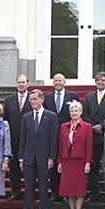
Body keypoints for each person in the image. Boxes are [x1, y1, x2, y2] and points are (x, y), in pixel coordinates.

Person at [19, 89, 59, 209]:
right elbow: (22, 139)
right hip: (29, 157)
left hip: (44, 157)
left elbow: (54, 139)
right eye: (31, 100)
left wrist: (52, 157)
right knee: (28, 187)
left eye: (35, 99)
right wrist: (21, 158)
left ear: (42, 100)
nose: (33, 102)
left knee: (43, 188)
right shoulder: (26, 117)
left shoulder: (51, 116)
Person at [43, 73, 79, 202]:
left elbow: (77, 114)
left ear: (65, 82)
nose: (58, 82)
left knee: (66, 164)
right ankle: (55, 192)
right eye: (55, 80)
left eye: (60, 80)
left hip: (68, 134)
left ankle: (65, 191)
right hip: (50, 135)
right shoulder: (47, 97)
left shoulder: (72, 96)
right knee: (52, 165)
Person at [57, 100, 92, 209]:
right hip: (67, 161)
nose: (74, 113)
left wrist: (88, 162)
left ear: (80, 112)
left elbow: (89, 146)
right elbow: (60, 145)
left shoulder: (87, 127)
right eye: (72, 110)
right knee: (69, 190)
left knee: (79, 189)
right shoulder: (64, 126)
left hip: (80, 161)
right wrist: (59, 161)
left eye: (76, 110)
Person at [82, 72, 105, 202]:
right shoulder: (89, 97)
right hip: (93, 137)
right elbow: (84, 114)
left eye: (103, 80)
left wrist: (102, 125)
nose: (100, 82)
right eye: (98, 80)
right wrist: (92, 126)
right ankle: (94, 192)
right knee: (93, 166)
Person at [3, 74, 32, 201]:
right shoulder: (9, 100)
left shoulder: (34, 98)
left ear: (28, 84)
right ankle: (16, 191)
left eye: (23, 82)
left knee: (29, 167)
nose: (21, 84)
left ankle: (29, 191)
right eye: (19, 82)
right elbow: (6, 120)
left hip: (30, 140)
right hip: (14, 139)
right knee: (14, 167)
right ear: (16, 84)